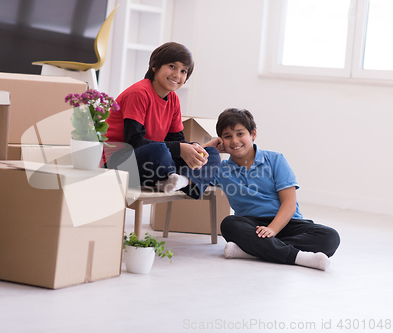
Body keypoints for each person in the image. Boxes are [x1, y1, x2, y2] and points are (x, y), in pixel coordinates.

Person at [203, 108, 340, 270]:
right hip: (251, 226)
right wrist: (208, 148)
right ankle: (298, 257)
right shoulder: (221, 169)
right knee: (229, 223)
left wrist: (272, 229)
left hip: (288, 223)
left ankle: (250, 251)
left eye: (240, 134)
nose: (234, 141)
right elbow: (190, 171)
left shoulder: (275, 159)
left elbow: (289, 203)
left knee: (330, 237)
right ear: (222, 141)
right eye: (227, 136)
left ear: (253, 134)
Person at [104, 42, 220, 199]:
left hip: (154, 162)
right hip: (120, 161)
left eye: (183, 71)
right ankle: (176, 179)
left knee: (211, 154)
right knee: (159, 150)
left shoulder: (173, 100)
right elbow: (134, 142)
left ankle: (180, 180)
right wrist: (180, 148)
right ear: (155, 66)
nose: (177, 75)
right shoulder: (139, 93)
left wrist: (193, 149)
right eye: (172, 66)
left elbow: (177, 141)